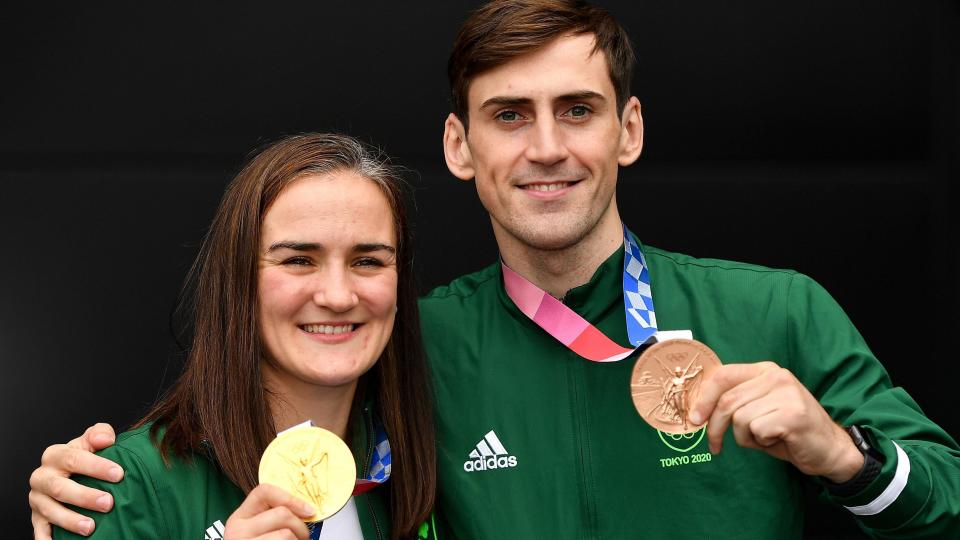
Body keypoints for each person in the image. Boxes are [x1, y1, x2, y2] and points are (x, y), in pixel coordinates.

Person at [29, 1, 960, 538]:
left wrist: (846, 455)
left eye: (579, 110)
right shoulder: (404, 347)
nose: (547, 147)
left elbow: (946, 503)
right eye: (510, 115)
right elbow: (246, 446)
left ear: (627, 129)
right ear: (461, 146)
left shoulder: (776, 311)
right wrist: (92, 494)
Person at [33, 133, 436, 539]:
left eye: (368, 261)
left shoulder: (425, 466)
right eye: (298, 260)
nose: (337, 295)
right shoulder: (116, 488)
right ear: (238, 282)